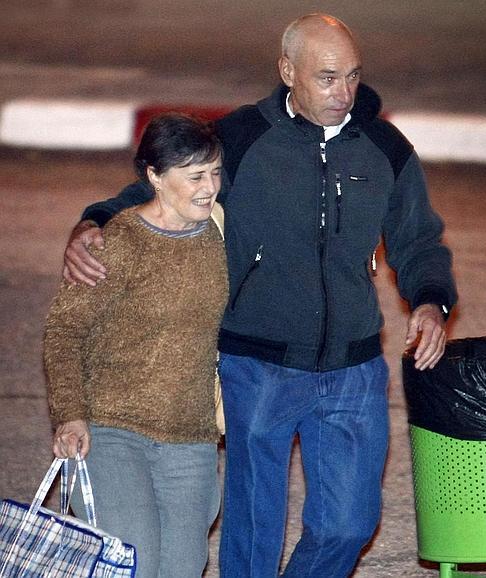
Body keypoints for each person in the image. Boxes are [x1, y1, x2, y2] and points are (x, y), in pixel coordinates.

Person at [62, 14, 457, 578]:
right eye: (326, 78)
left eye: (352, 76)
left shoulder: (385, 148)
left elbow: (418, 240)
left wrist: (431, 301)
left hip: (354, 365)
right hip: (256, 361)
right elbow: (167, 187)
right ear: (287, 71)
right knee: (254, 526)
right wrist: (94, 221)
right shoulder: (243, 136)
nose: (344, 93)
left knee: (349, 524)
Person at [44, 113, 228, 578]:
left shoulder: (222, 238)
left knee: (183, 567)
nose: (209, 187)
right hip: (111, 430)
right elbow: (64, 330)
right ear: (155, 177)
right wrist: (70, 413)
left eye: (214, 173)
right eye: (194, 176)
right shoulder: (117, 242)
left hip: (190, 436)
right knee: (133, 562)